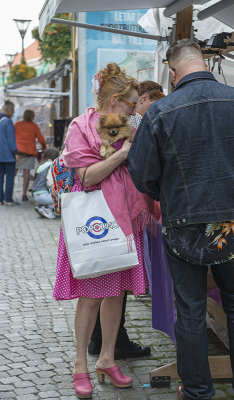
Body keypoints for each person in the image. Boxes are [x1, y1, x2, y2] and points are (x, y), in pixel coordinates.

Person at [128, 39, 234, 400]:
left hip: (182, 223)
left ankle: (196, 391)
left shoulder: (160, 112)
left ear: (173, 72)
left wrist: (169, 191)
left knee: (190, 310)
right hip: (230, 223)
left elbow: (142, 175)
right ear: (204, 64)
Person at [53, 63, 160, 399]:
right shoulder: (80, 126)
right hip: (94, 224)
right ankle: (80, 365)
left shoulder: (128, 125)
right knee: (90, 297)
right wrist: (124, 154)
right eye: (131, 103)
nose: (134, 108)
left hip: (126, 218)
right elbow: (86, 176)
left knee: (117, 293)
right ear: (114, 101)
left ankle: (108, 359)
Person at [88, 79, 164, 360]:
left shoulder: (109, 120)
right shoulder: (119, 122)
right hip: (115, 208)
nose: (136, 107)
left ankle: (106, 341)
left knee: (110, 280)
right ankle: (109, 342)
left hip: (113, 207)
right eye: (134, 101)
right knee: (113, 281)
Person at [15, 109, 46, 201]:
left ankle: (7, 193)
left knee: (13, 173)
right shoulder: (34, 126)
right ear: (32, 116)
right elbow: (42, 140)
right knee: (26, 173)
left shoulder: (17, 125)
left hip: (17, 152)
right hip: (28, 153)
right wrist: (44, 147)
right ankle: (24, 194)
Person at [0, 100, 19, 206]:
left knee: (0, 177)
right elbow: (11, 140)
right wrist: (15, 153)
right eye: (13, 110)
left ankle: (0, 199)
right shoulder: (7, 121)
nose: (13, 113)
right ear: (8, 110)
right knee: (10, 177)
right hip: (7, 155)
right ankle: (8, 199)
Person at [33, 147, 59, 220]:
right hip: (43, 194)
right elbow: (50, 182)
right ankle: (46, 208)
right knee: (62, 199)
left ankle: (42, 206)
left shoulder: (42, 164)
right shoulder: (51, 165)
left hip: (36, 193)